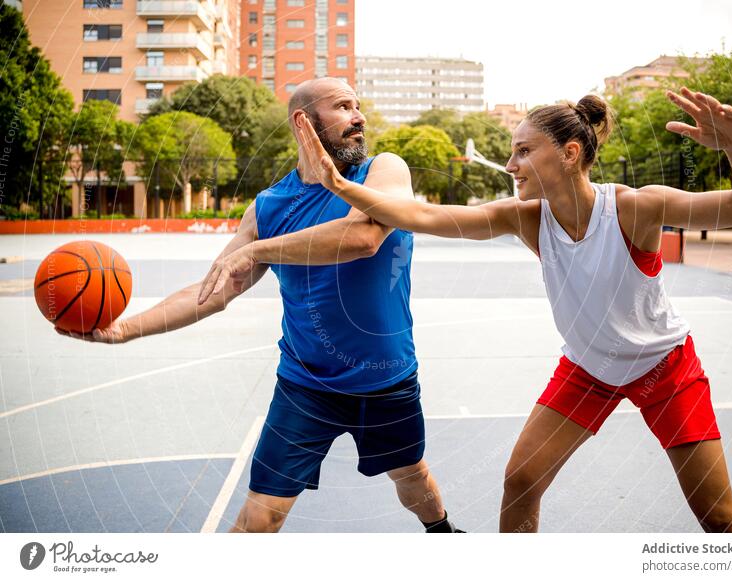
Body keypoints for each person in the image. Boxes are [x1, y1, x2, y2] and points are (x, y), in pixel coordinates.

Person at [293, 86, 732, 533]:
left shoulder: (634, 207)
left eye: (523, 151)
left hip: (665, 369)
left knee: (715, 512)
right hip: (588, 369)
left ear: (569, 154)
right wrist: (337, 182)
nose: (510, 164)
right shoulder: (526, 218)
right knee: (520, 483)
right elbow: (423, 216)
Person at [57, 77, 463, 534]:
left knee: (412, 475)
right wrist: (125, 330)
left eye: (358, 106)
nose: (359, 116)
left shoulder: (384, 171)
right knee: (259, 518)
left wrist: (257, 251)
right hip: (306, 386)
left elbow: (362, 237)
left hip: (387, 377)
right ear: (304, 122)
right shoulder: (269, 207)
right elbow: (214, 288)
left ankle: (442, 532)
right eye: (343, 106)